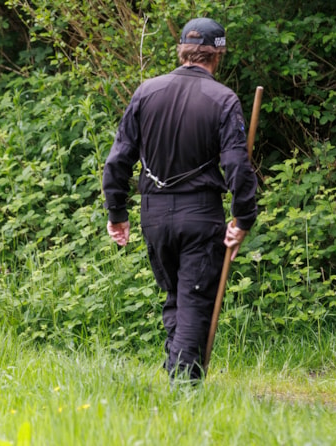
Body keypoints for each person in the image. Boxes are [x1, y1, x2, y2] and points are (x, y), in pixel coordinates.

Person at [102, 17, 258, 384]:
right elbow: (236, 164)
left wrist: (117, 213)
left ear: (182, 52)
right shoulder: (223, 99)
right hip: (199, 215)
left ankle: (176, 378)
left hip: (153, 215)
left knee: (176, 296)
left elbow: (118, 160)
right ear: (217, 55)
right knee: (193, 300)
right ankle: (184, 391)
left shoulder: (147, 91)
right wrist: (243, 218)